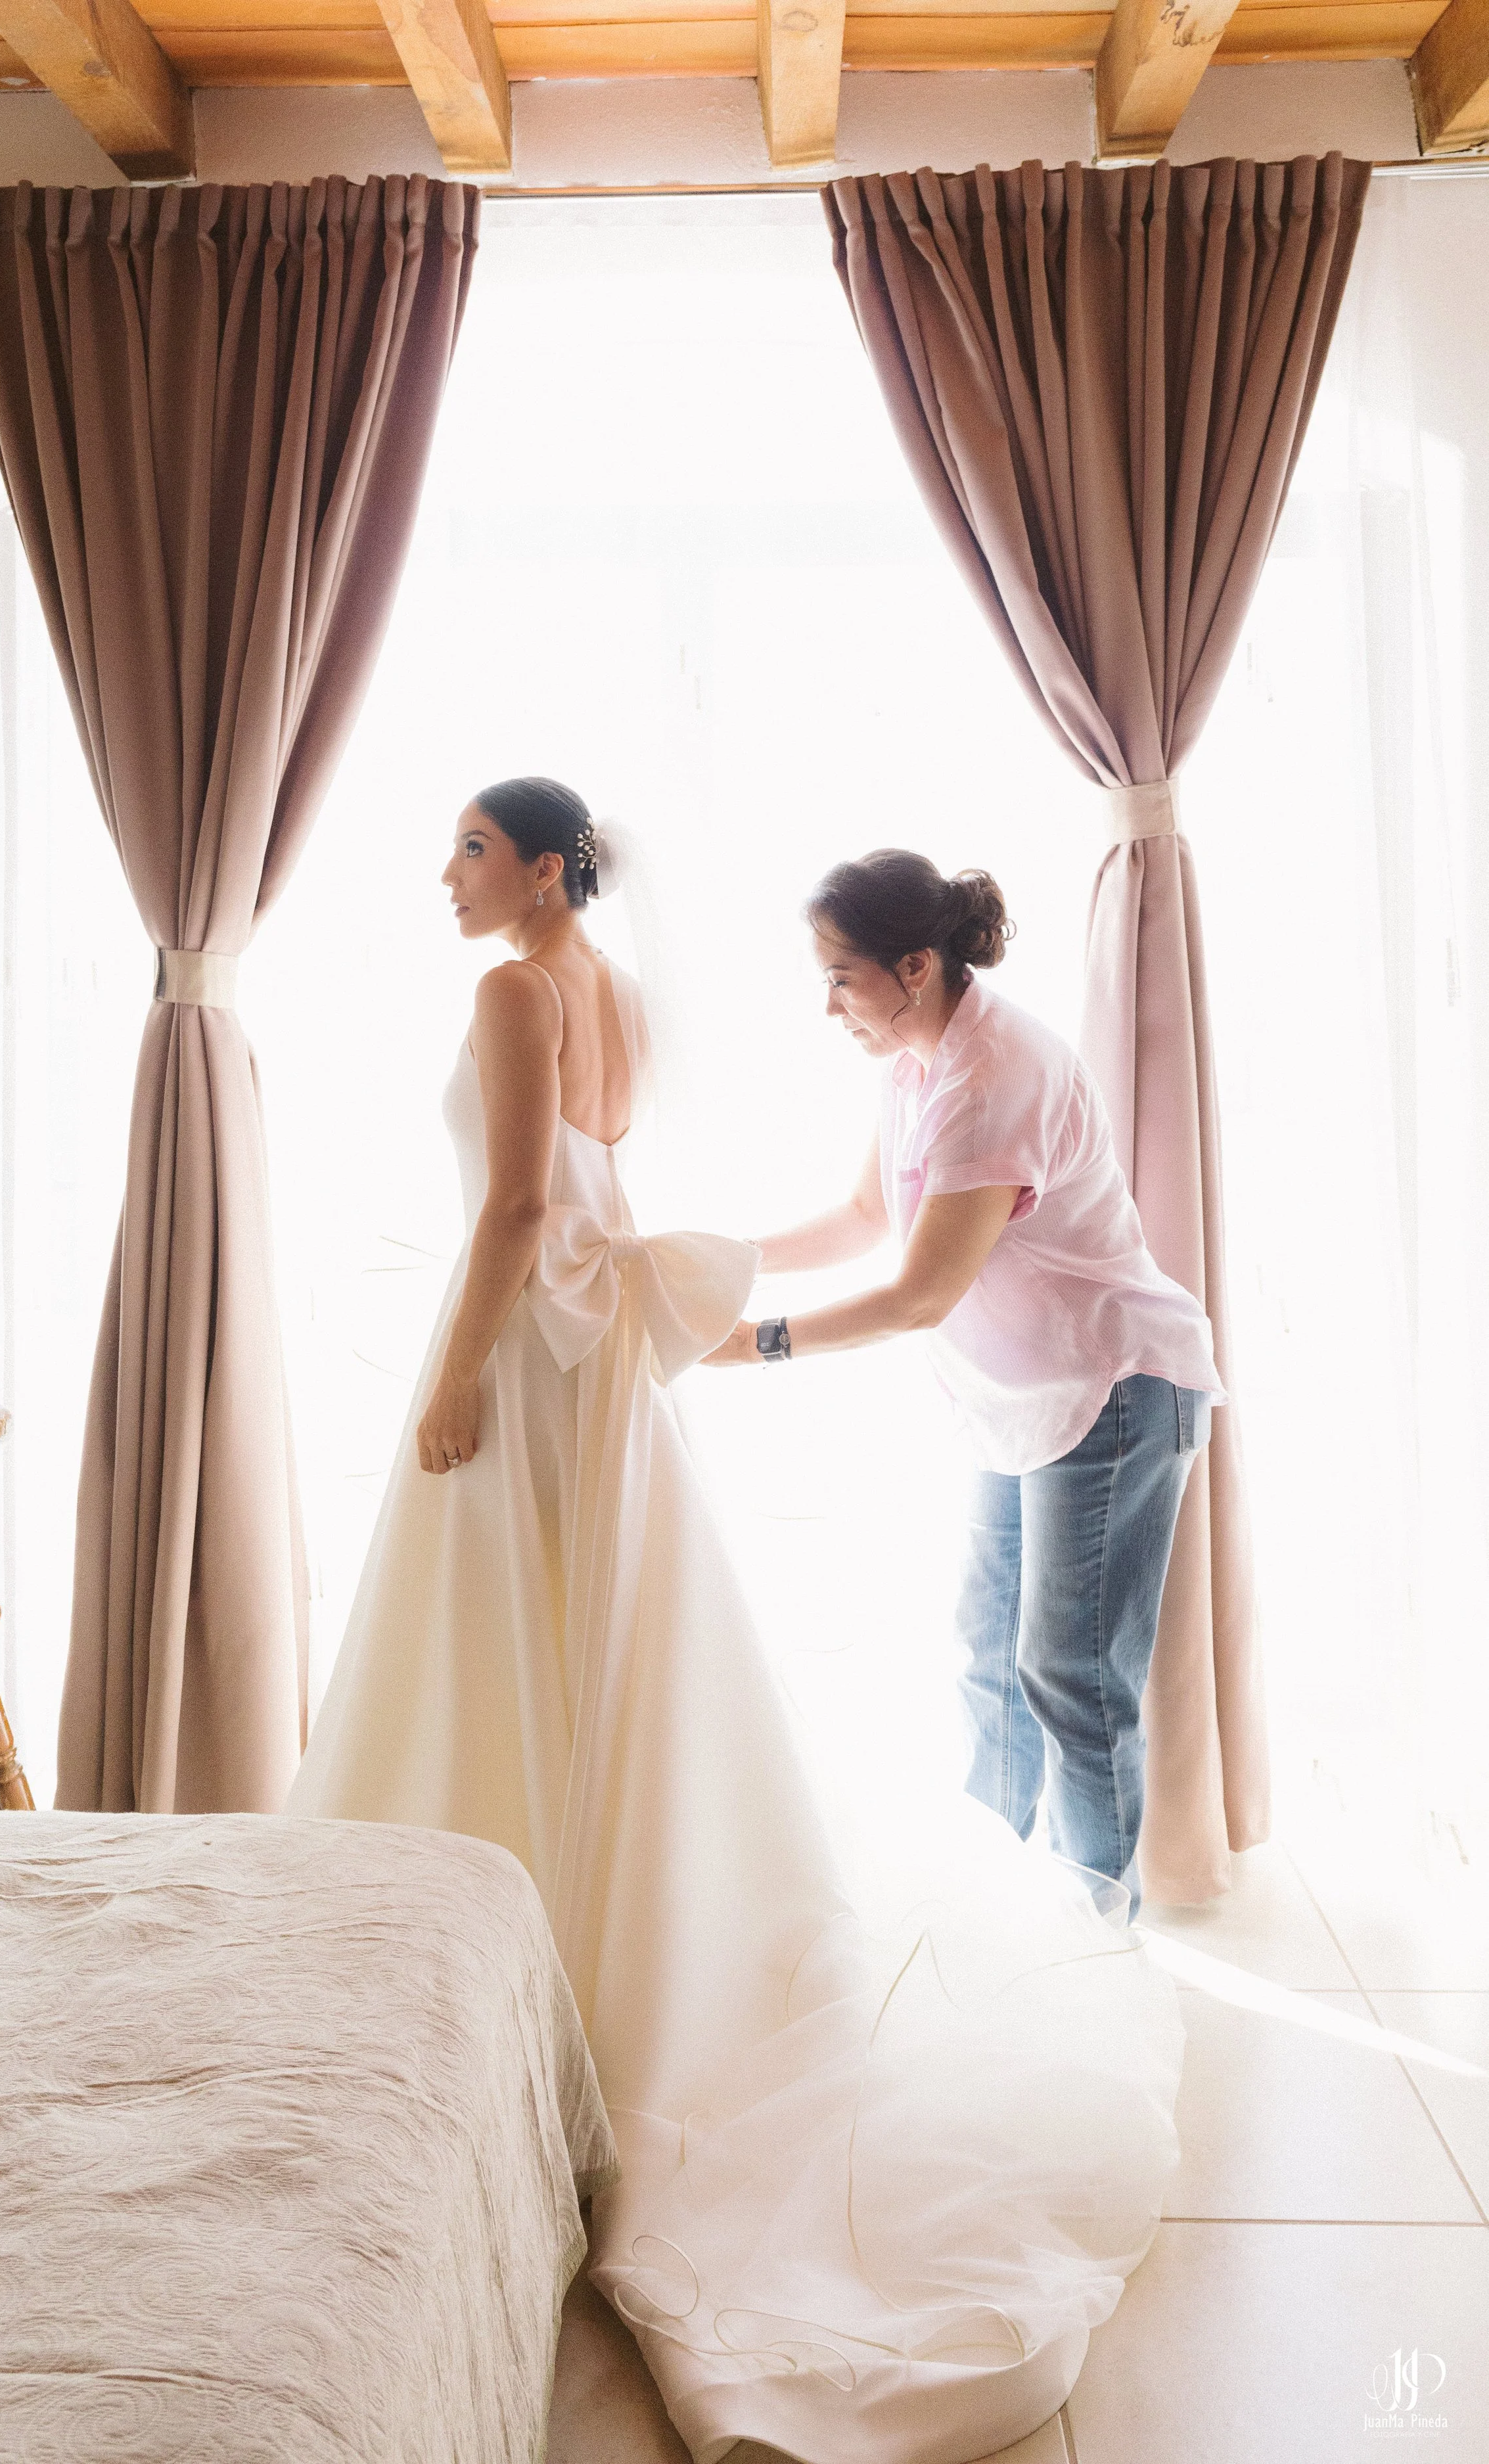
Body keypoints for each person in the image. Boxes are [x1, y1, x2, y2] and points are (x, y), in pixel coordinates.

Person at [288, 783, 1185, 2464]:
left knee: (1054, 1677)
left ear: (545, 868)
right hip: (615, 1361)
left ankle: (1081, 1935)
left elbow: (509, 1214)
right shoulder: (624, 992)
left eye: (469, 847)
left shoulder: (514, 987)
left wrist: (471, 1368)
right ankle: (648, 1953)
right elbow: (809, 1218)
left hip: (620, 1368)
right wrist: (680, 1291)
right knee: (644, 1657)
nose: (446, 874)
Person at [708, 848, 1224, 1921]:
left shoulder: (994, 1077)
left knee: (1071, 1682)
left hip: (1113, 1391)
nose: (828, 1005)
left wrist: (751, 1342)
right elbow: (864, 1217)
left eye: (840, 978)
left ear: (913, 965)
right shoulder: (913, 1057)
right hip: (1017, 1403)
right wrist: (712, 1263)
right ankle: (989, 1917)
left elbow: (915, 1294)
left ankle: (1098, 1943)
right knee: (988, 1660)